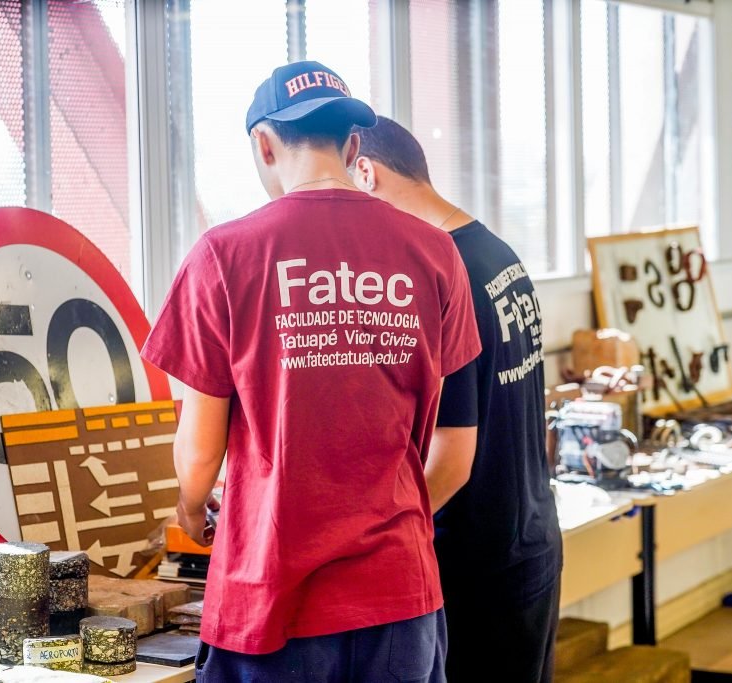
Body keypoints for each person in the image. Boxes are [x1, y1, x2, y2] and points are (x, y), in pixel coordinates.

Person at [142, 63, 481, 682]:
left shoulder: (224, 255)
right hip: (399, 592)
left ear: (264, 145)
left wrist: (191, 513)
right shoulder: (435, 253)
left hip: (271, 595)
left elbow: (199, 455)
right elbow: (441, 429)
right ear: (352, 147)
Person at [353, 116, 564, 683]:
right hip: (527, 538)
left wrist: (375, 543)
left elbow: (452, 461)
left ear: (366, 173)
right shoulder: (494, 253)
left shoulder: (447, 270)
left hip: (478, 561)